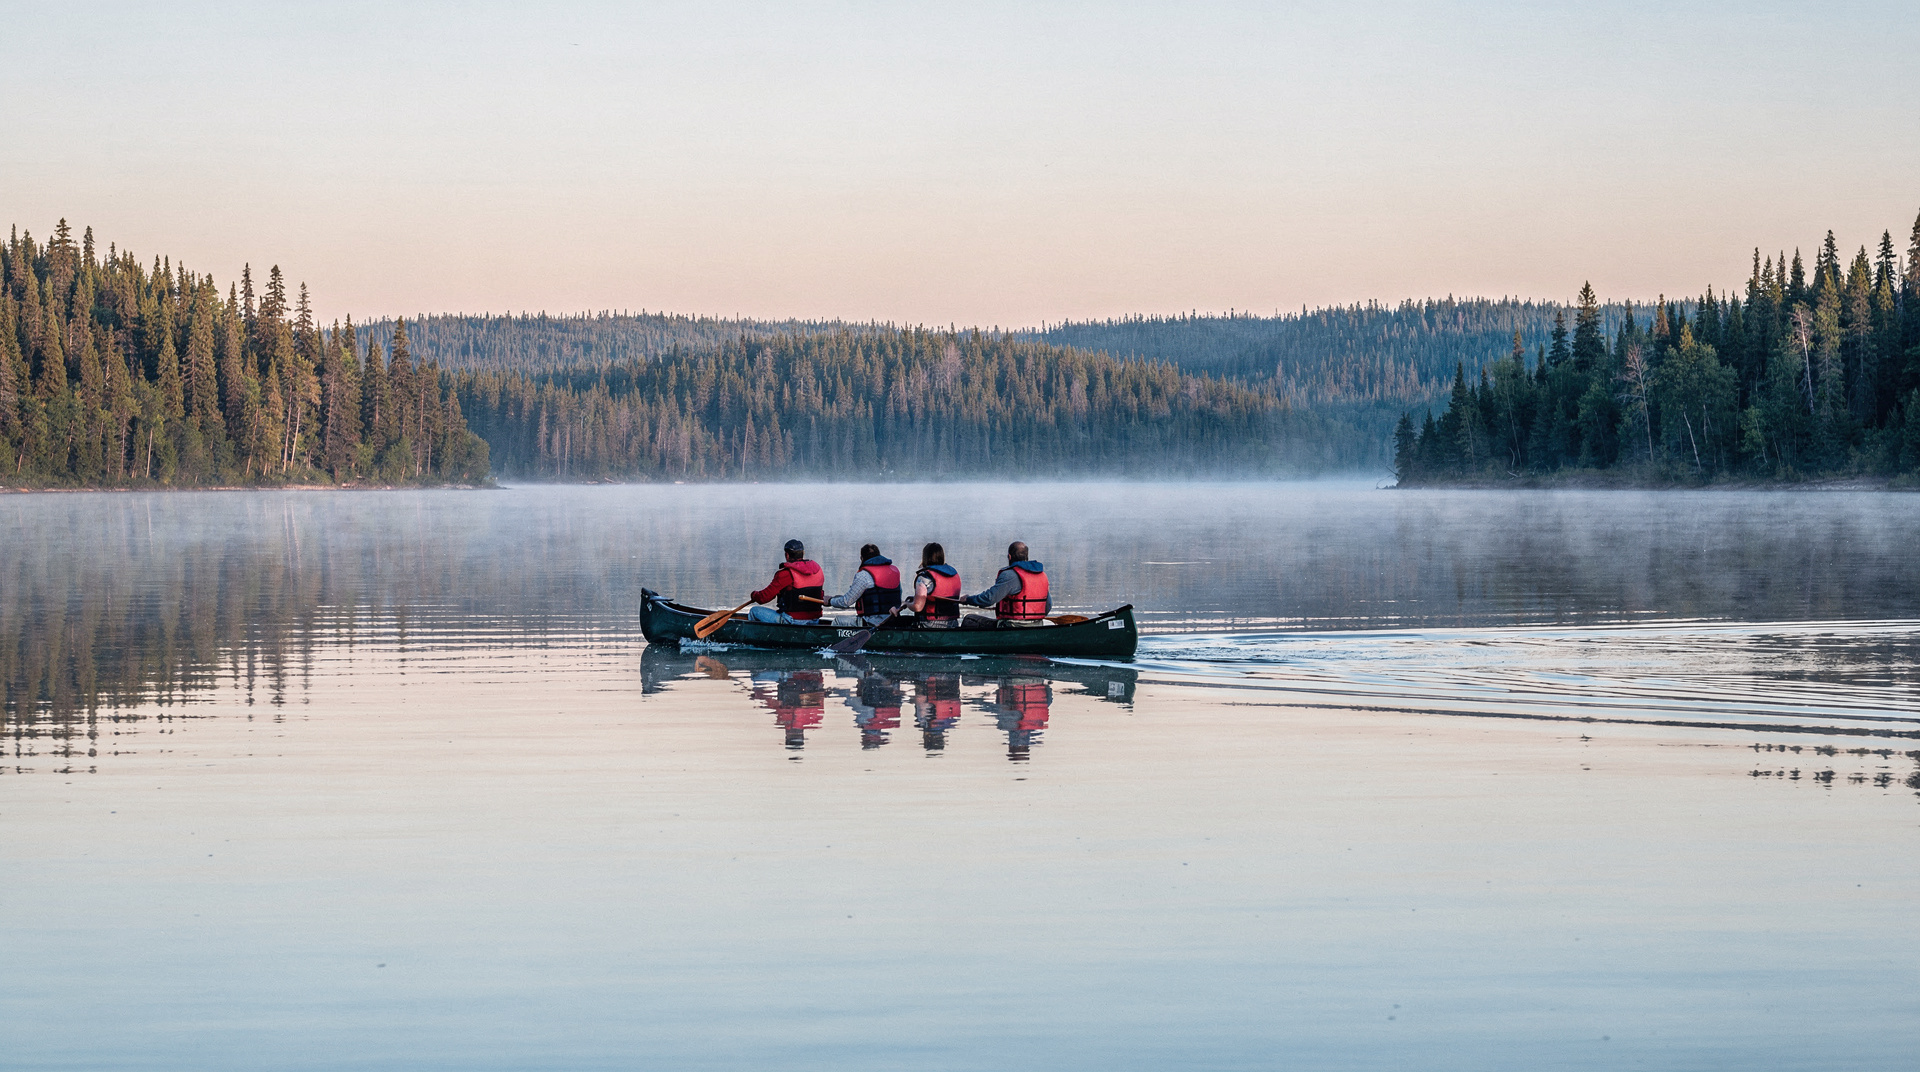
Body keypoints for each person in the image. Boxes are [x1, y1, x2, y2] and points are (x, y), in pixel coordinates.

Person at [959, 541, 1050, 627]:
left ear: (1009, 556)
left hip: (1012, 625)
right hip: (1037, 624)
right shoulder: (1042, 576)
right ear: (1027, 556)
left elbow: (989, 599)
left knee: (969, 619)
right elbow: (1048, 606)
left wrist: (968, 600)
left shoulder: (1009, 575)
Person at [747, 539, 826, 624]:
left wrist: (754, 595)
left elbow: (764, 598)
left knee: (754, 611)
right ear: (802, 554)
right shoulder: (817, 570)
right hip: (815, 620)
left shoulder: (786, 573)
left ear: (787, 555)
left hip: (792, 620)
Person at [825, 543, 901, 627]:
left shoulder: (863, 575)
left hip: (871, 623)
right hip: (892, 620)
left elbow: (846, 602)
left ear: (862, 558)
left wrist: (830, 601)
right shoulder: (894, 572)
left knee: (838, 620)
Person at [906, 542, 963, 629]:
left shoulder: (925, 577)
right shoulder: (954, 574)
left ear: (925, 557)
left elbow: (917, 607)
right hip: (952, 623)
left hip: (929, 624)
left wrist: (908, 604)